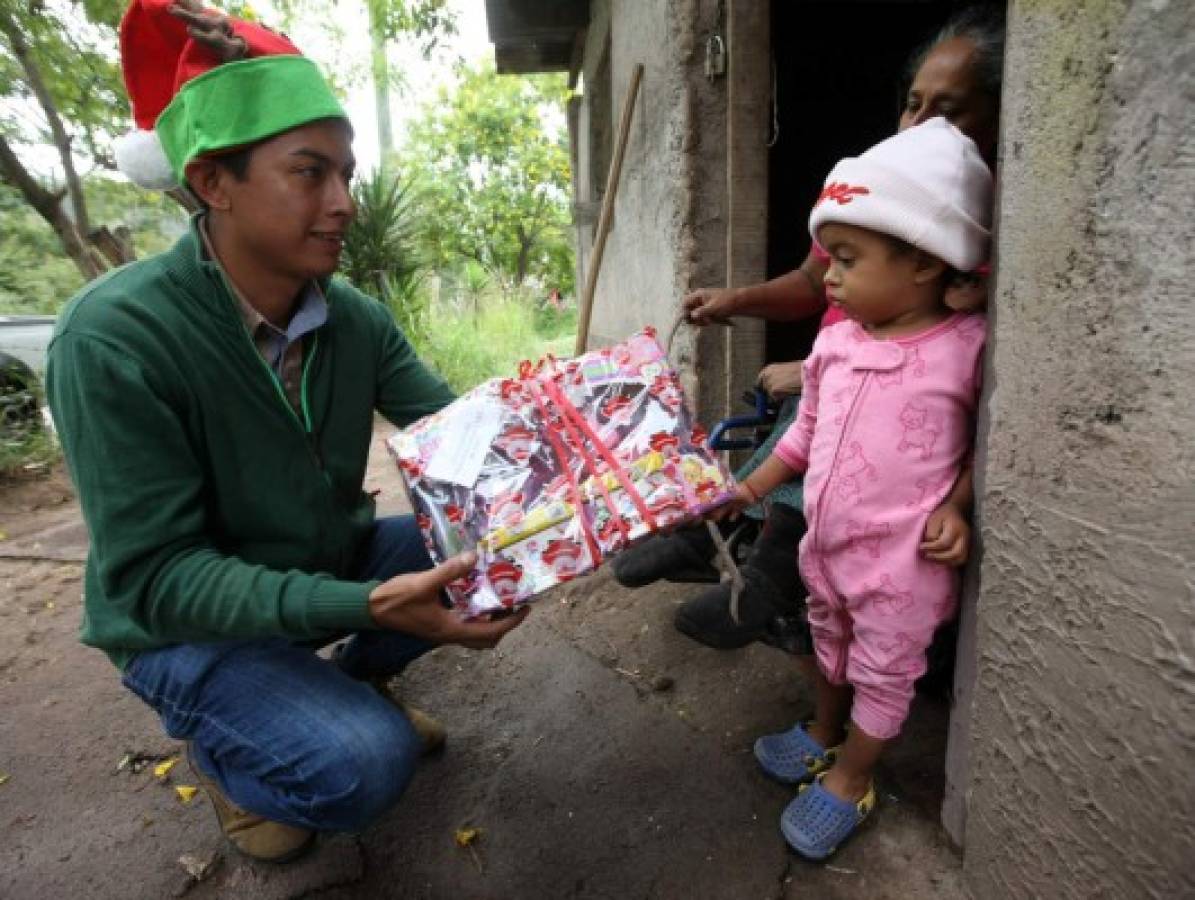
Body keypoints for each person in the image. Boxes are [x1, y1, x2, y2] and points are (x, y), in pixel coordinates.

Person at [47, 0, 526, 863]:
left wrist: (614, 478)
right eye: (310, 173)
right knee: (360, 770)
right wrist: (361, 602)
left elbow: (463, 442)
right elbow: (158, 578)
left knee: (489, 547)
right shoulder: (114, 338)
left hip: (310, 564)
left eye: (346, 173)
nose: (342, 202)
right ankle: (236, 759)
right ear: (211, 181)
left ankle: (340, 686)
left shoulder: (353, 319)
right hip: (180, 623)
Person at [612, 5, 1005, 661]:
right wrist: (733, 300)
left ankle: (764, 570)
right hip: (833, 365)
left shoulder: (970, 226)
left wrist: (818, 368)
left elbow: (944, 341)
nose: (919, 124)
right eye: (912, 105)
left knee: (820, 418)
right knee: (792, 415)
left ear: (996, 119)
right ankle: (719, 534)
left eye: (950, 110)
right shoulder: (872, 195)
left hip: (879, 390)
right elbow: (804, 282)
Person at [712, 117, 993, 859]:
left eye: (845, 258)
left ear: (926, 262)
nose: (826, 276)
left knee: (882, 670)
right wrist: (748, 489)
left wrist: (957, 507)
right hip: (827, 546)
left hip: (900, 563)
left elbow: (986, 450)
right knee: (828, 644)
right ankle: (823, 733)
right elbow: (802, 437)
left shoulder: (964, 349)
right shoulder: (834, 342)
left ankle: (852, 777)